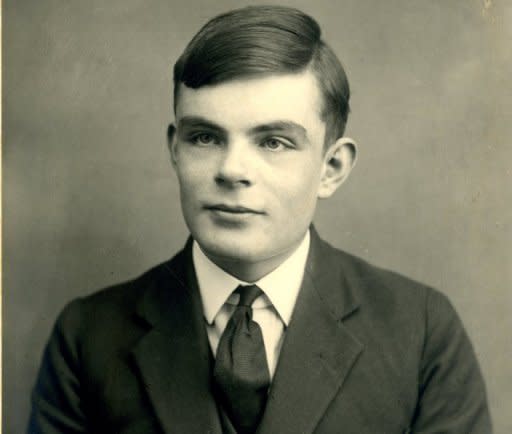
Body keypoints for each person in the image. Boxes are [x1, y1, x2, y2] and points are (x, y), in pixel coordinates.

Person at [28, 5, 492, 434]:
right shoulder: (88, 336)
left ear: (331, 169)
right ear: (175, 149)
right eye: (205, 137)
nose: (232, 170)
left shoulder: (420, 330)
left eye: (273, 142)